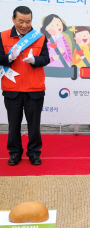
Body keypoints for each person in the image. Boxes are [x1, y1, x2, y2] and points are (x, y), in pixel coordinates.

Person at [0, 6, 49, 166]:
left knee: (34, 125)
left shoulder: (40, 37)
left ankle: (34, 153)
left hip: (34, 89)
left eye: (28, 21)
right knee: (13, 124)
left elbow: (46, 59)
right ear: (13, 19)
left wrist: (35, 61)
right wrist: (9, 58)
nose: (24, 25)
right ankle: (14, 153)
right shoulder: (3, 36)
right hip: (12, 89)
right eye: (21, 21)